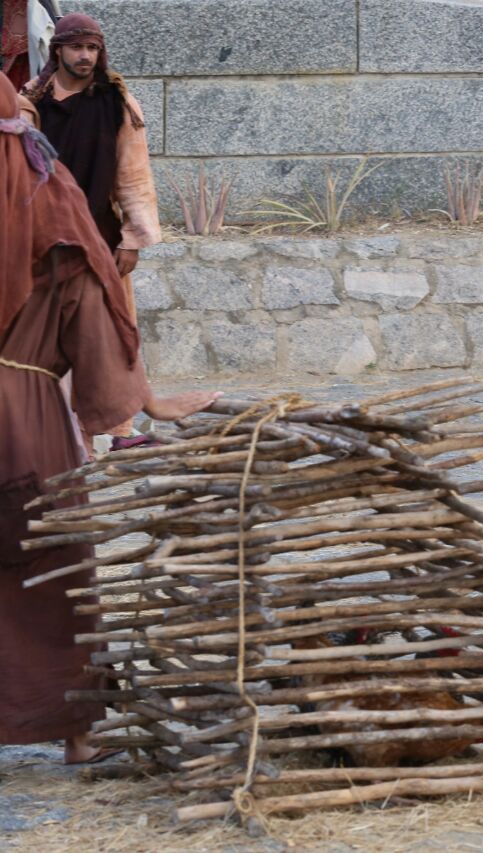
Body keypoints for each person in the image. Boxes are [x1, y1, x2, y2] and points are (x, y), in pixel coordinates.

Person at [0, 74, 218, 764]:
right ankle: (78, 729)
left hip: (24, 405)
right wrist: (144, 400)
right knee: (55, 567)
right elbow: (97, 321)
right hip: (24, 419)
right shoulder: (52, 205)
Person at [23, 12, 162, 448]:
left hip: (100, 236)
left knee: (109, 334)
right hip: (43, 239)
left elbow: (133, 176)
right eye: (76, 47)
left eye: (92, 48)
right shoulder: (30, 101)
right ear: (57, 50)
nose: (85, 56)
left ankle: (118, 430)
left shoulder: (117, 103)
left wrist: (132, 239)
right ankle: (59, 437)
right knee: (46, 339)